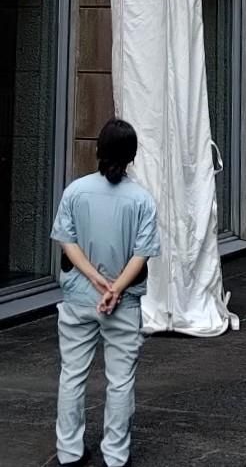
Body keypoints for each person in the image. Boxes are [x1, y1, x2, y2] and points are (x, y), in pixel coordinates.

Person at [51, 118, 160, 467]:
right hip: (123, 302)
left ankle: (69, 453)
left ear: (98, 149)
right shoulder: (142, 200)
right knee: (120, 381)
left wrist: (94, 280)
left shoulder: (75, 191)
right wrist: (115, 288)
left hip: (79, 297)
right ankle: (115, 455)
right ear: (132, 156)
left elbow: (67, 242)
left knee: (72, 375)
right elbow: (141, 255)